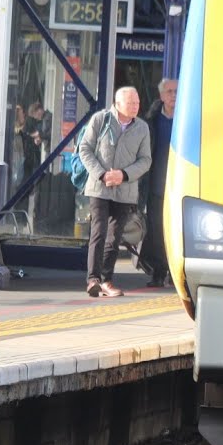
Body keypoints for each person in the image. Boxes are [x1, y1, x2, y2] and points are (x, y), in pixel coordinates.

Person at [78, 86, 151, 297]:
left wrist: (124, 175)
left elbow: (145, 160)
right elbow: (85, 148)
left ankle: (107, 280)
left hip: (125, 190)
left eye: (137, 103)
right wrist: (102, 174)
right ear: (117, 104)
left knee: (115, 236)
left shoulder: (142, 128)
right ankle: (93, 279)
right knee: (98, 232)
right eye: (130, 103)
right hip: (100, 188)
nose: (135, 107)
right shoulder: (100, 120)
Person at [140, 79, 176, 286]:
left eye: (177, 91)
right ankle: (158, 271)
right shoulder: (150, 121)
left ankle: (174, 271)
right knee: (157, 230)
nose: (174, 95)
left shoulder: (188, 120)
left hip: (181, 187)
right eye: (169, 91)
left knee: (177, 230)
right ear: (161, 96)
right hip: (157, 186)